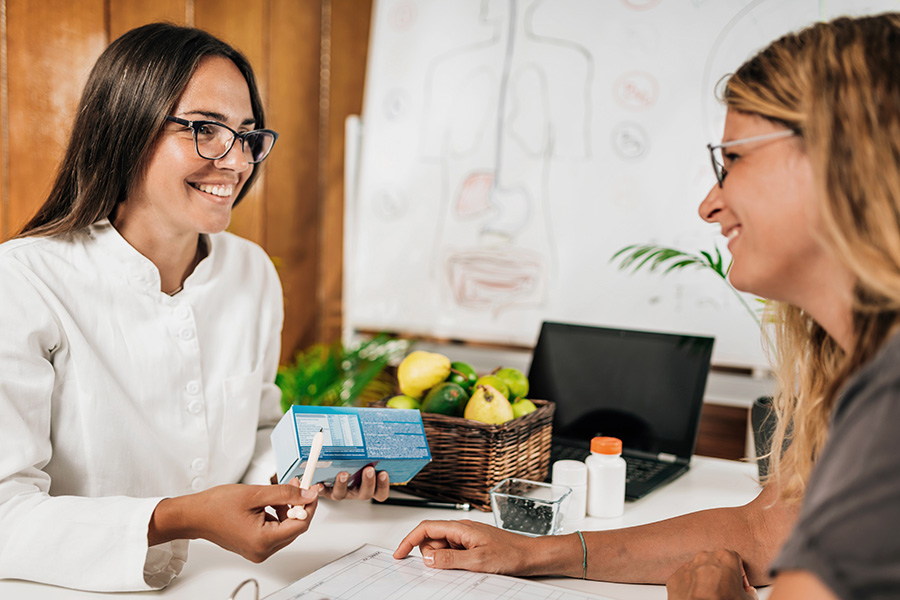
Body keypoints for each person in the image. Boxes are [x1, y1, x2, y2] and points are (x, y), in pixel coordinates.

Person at [395, 13, 900, 599]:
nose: (710, 205)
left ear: (841, 158)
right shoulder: (864, 376)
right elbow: (766, 530)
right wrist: (531, 553)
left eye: (732, 159)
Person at [0, 23, 388, 593]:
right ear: (125, 127)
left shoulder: (251, 270)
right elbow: (5, 516)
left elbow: (256, 433)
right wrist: (180, 517)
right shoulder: (24, 279)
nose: (235, 162)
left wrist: (308, 475)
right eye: (206, 129)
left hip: (223, 580)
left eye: (248, 135)